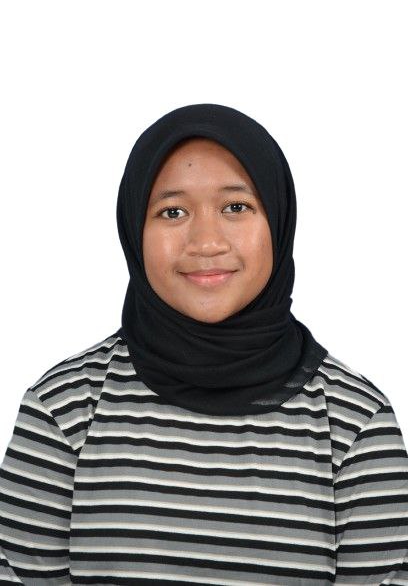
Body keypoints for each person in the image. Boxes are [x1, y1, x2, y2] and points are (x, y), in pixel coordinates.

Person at [1, 103, 407, 585]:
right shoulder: (64, 410)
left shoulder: (354, 425)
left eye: (236, 207)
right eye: (172, 212)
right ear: (133, 229)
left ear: (278, 221)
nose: (207, 241)